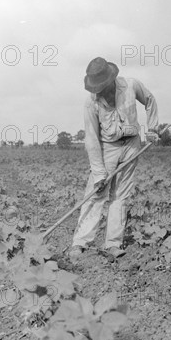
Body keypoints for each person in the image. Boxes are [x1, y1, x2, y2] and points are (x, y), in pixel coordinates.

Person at [69, 57, 159, 261]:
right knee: (96, 194)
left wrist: (152, 129)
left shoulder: (131, 86)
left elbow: (150, 100)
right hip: (107, 147)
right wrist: (100, 174)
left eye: (102, 87)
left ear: (111, 80)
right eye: (96, 88)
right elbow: (91, 139)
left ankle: (113, 244)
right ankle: (80, 243)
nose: (99, 92)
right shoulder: (90, 102)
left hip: (131, 145)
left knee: (120, 196)